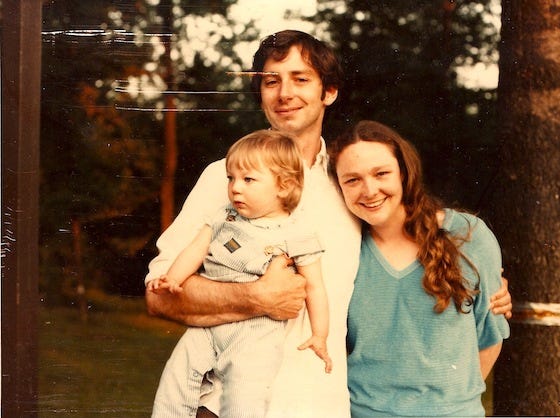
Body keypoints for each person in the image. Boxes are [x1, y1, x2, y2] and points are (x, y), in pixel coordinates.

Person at [145, 30, 513, 418]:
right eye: (272, 81)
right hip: (229, 402)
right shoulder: (228, 177)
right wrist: (256, 297)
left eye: (301, 78)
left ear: (329, 92)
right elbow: (159, 295)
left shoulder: (347, 183)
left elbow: (403, 246)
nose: (285, 93)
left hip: (323, 404)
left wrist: (487, 281)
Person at [329, 120, 511, 417]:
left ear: (404, 172)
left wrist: (449, 404)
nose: (369, 190)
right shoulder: (344, 251)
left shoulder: (468, 236)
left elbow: (490, 335)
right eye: (352, 180)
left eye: (381, 173)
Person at [148, 130, 332, 417]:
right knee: (177, 375)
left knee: (244, 393)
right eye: (231, 178)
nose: (235, 188)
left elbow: (315, 288)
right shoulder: (224, 216)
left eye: (248, 180)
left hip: (256, 334)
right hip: (207, 323)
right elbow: (196, 249)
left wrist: (320, 335)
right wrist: (173, 278)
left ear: (283, 186)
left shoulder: (298, 231)